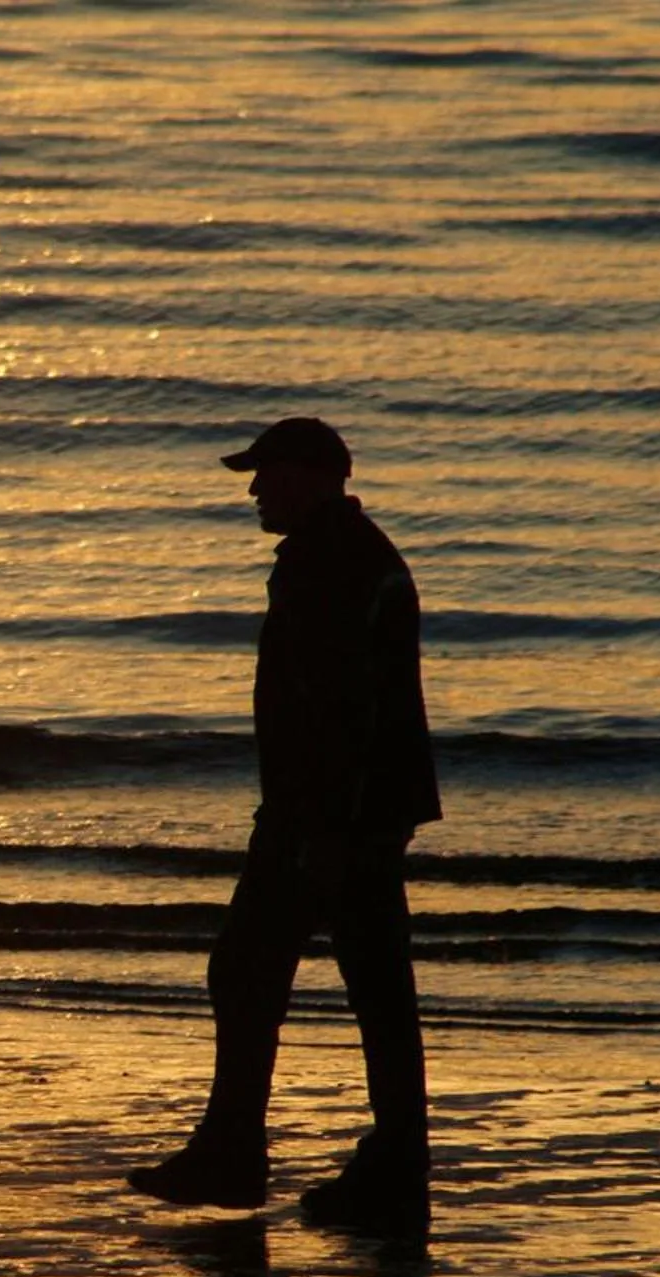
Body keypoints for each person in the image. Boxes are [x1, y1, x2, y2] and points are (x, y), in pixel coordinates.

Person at [129, 418, 442, 1235]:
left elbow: (338, 712)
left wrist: (319, 827)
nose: (254, 489)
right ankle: (388, 1167)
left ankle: (241, 1152)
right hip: (352, 811)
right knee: (369, 986)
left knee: (249, 970)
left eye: (266, 473)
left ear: (311, 475)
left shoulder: (331, 563)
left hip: (328, 815)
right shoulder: (349, 553)